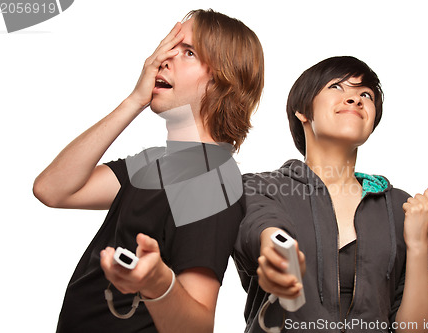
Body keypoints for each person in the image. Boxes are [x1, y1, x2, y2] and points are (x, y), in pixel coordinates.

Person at [33, 9, 264, 333]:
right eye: (168, 47)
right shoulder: (155, 162)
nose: (163, 59)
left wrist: (158, 285)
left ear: (220, 80)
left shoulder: (209, 179)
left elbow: (196, 328)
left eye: (188, 52)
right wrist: (133, 101)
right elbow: (53, 189)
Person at [234, 56, 428, 333]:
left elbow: (416, 329)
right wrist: (277, 251)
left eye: (365, 94)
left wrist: (417, 246)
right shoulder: (261, 188)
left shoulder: (401, 208)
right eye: (337, 88)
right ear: (302, 111)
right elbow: (261, 229)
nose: (355, 99)